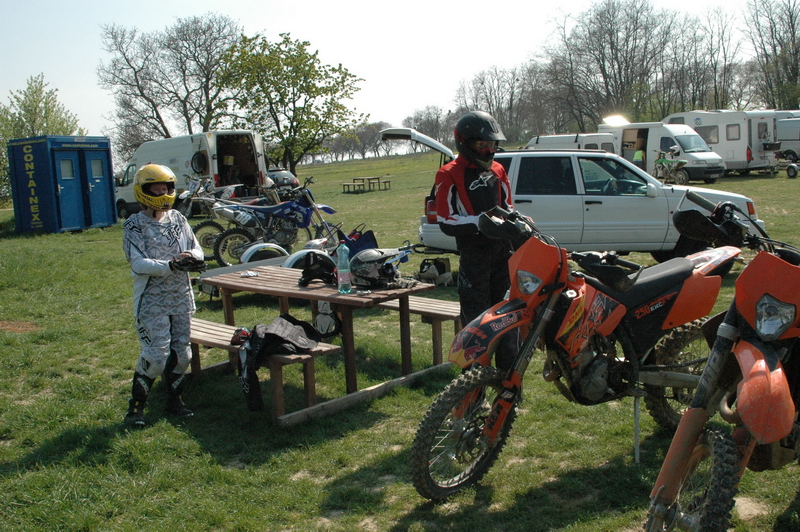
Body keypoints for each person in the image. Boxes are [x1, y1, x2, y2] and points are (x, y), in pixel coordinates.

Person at [433, 110, 519, 371]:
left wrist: (518, 222)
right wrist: (479, 222)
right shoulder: (448, 173)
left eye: (491, 144)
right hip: (474, 257)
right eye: (482, 145)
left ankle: (509, 384)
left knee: (508, 321)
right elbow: (445, 220)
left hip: (503, 255)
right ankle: (472, 386)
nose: (488, 150)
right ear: (465, 143)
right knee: (475, 326)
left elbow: (508, 207)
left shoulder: (498, 169)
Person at [122, 164, 205, 427]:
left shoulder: (178, 218)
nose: (162, 193)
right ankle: (136, 408)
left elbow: (197, 248)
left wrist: (191, 256)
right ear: (143, 191)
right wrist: (170, 265)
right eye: (156, 189)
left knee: (183, 354)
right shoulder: (133, 224)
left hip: (180, 297)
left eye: (166, 188)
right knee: (156, 357)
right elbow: (138, 263)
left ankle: (174, 401)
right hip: (152, 299)